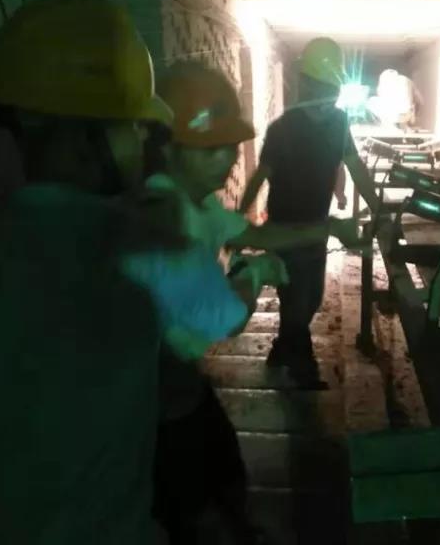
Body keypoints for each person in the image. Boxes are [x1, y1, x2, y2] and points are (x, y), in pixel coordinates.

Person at [0, 0, 277, 545]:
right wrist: (254, 275)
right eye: (134, 126)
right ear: (86, 133)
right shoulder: (138, 242)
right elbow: (221, 320)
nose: (145, 140)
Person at [149, 60, 363, 544]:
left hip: (182, 384)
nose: (229, 159)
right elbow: (219, 321)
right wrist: (254, 274)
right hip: (158, 395)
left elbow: (257, 235)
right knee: (189, 499)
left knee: (224, 467)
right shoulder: (162, 216)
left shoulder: (200, 205)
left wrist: (330, 227)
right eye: (212, 148)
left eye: (230, 146)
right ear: (166, 148)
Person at [239, 37, 381, 385]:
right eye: (321, 87)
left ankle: (281, 348)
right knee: (295, 297)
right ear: (307, 85)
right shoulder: (282, 128)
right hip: (285, 228)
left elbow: (355, 166)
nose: (326, 97)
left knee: (311, 297)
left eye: (330, 88)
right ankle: (302, 366)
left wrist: (378, 208)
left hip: (317, 226)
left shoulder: (338, 124)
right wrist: (239, 219)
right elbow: (260, 175)